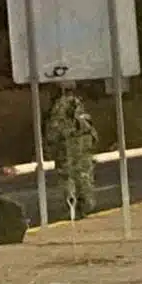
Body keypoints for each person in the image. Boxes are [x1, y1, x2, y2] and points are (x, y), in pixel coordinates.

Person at [45, 81, 98, 218]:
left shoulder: (61, 105)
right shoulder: (78, 103)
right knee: (83, 174)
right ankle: (86, 203)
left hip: (68, 145)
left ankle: (74, 207)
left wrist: (50, 144)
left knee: (67, 176)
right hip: (82, 145)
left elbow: (55, 128)